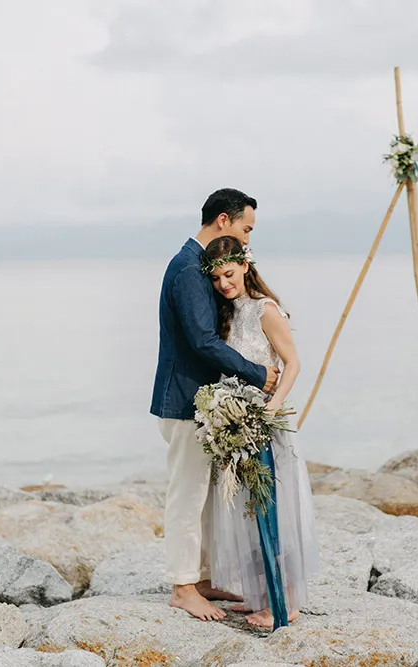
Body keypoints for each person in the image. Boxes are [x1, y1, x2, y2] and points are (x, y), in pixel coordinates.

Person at [150, 188, 281, 622]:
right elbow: (202, 340)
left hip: (200, 400)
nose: (247, 241)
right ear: (223, 221)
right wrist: (257, 373)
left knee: (203, 495)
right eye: (246, 229)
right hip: (184, 398)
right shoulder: (188, 268)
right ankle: (182, 587)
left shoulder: (200, 263)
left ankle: (200, 576)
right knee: (186, 494)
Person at [201, 235, 320, 629]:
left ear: (246, 267)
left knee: (272, 511)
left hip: (266, 426)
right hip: (237, 428)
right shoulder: (229, 314)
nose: (224, 284)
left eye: (229, 274)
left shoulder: (265, 310)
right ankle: (262, 595)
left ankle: (284, 603)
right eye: (216, 278)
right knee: (247, 514)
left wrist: (270, 410)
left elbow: (293, 363)